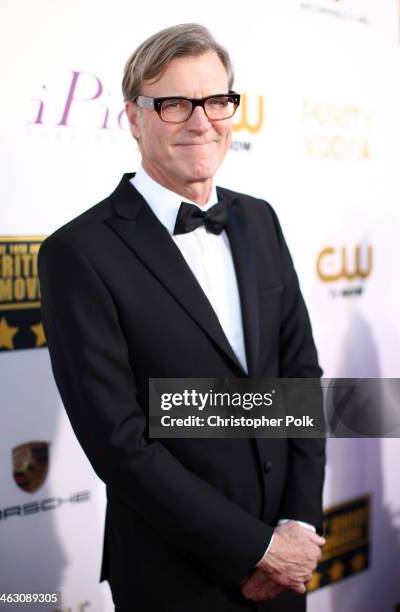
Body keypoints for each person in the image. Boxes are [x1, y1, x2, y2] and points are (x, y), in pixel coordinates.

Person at [38, 23, 326, 612]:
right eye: (173, 103)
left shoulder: (259, 220)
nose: (201, 121)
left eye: (217, 100)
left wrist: (296, 526)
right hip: (174, 575)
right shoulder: (79, 252)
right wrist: (254, 550)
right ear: (134, 117)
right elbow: (119, 442)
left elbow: (299, 382)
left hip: (287, 559)